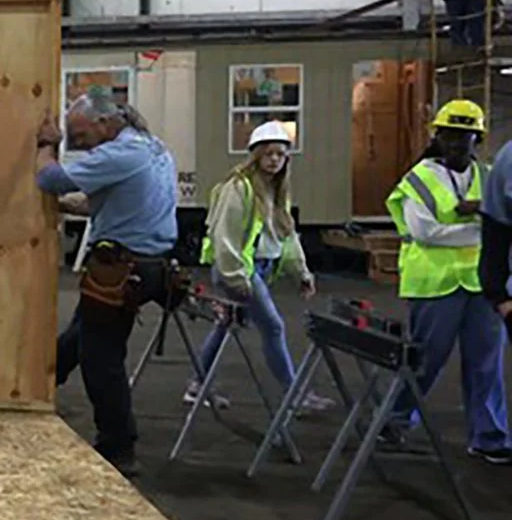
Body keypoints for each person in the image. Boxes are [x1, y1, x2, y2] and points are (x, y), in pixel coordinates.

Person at [36, 92, 179, 476]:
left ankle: (119, 446)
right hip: (151, 264)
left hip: (122, 266)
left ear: (103, 123)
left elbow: (51, 179)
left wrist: (48, 144)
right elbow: (114, 204)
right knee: (79, 337)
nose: (79, 144)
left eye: (81, 135)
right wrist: (66, 209)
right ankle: (36, 389)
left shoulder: (120, 154)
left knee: (102, 361)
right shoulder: (152, 146)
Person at [384, 99, 511, 464]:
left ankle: (489, 436)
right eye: (451, 136)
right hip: (434, 285)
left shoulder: (490, 177)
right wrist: (485, 230)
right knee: (425, 361)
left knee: (486, 364)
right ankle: (393, 420)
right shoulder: (418, 180)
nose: (458, 143)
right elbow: (427, 232)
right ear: (438, 137)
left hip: (483, 284)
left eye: (466, 136)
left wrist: (481, 225)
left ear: (478, 139)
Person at [193, 120, 329, 413]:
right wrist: (237, 277)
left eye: (280, 155)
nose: (274, 160)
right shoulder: (238, 187)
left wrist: (302, 272)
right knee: (273, 327)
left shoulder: (277, 192)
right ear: (255, 155)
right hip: (241, 271)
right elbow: (224, 235)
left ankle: (197, 385)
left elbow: (287, 236)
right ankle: (293, 393)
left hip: (257, 270)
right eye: (268, 154)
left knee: (225, 325)